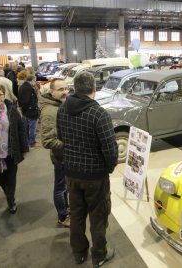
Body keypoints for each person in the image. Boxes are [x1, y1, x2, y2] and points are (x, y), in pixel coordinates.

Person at [57, 72, 118, 267]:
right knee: (98, 217)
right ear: (94, 89)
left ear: (75, 88)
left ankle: (79, 253)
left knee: (76, 215)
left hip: (72, 174)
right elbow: (110, 149)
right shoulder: (99, 114)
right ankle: (99, 255)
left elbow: (62, 137)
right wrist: (108, 168)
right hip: (95, 177)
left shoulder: (62, 109)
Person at [0, 84, 29, 214]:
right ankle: (7, 190)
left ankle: (11, 199)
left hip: (10, 151)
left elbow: (21, 129)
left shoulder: (12, 110)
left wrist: (24, 148)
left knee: (11, 178)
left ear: (4, 95)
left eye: (0, 94)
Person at [40, 78, 70, 227]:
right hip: (60, 158)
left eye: (66, 88)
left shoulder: (60, 105)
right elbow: (46, 141)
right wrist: (69, 145)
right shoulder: (50, 112)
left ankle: (66, 209)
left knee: (65, 187)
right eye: (60, 89)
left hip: (66, 157)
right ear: (52, 92)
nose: (65, 92)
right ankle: (63, 216)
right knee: (60, 188)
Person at [18, 74, 40, 148]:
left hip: (26, 111)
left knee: (26, 128)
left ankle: (27, 142)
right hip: (31, 111)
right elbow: (26, 101)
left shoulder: (23, 86)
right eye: (35, 81)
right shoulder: (29, 88)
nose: (35, 82)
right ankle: (32, 142)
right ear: (32, 80)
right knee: (32, 128)